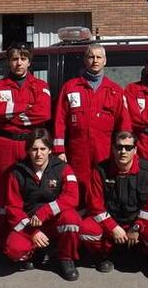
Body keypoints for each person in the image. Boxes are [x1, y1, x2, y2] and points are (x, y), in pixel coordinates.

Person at [0, 43, 51, 242]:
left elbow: (44, 113)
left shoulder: (40, 86)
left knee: (29, 191)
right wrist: (26, 108)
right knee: (5, 194)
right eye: (14, 59)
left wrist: (11, 112)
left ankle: (30, 239)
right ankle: (4, 238)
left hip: (30, 146)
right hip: (5, 144)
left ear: (29, 62)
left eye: (23, 58)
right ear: (9, 62)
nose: (18, 63)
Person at [79, 131, 148, 272]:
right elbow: (95, 205)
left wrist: (137, 227)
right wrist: (113, 227)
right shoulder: (100, 170)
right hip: (110, 223)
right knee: (85, 230)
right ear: (113, 148)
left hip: (136, 223)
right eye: (119, 147)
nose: (123, 151)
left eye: (128, 148)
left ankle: (142, 253)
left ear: (135, 150)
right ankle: (104, 255)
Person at [53, 43, 131, 201]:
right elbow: (59, 121)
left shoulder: (115, 90)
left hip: (104, 151)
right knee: (76, 190)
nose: (95, 60)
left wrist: (124, 152)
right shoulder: (71, 87)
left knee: (101, 189)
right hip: (77, 151)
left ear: (105, 61)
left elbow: (124, 127)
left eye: (99, 57)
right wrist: (59, 150)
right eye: (91, 57)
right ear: (85, 60)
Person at [2, 128, 81, 281]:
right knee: (13, 250)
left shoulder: (63, 168)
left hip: (54, 221)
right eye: (34, 149)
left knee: (72, 220)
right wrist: (33, 232)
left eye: (43, 149)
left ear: (50, 150)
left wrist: (45, 212)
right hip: (30, 224)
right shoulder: (17, 173)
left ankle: (66, 259)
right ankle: (35, 252)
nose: (39, 154)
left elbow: (72, 197)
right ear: (28, 150)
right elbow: (13, 209)